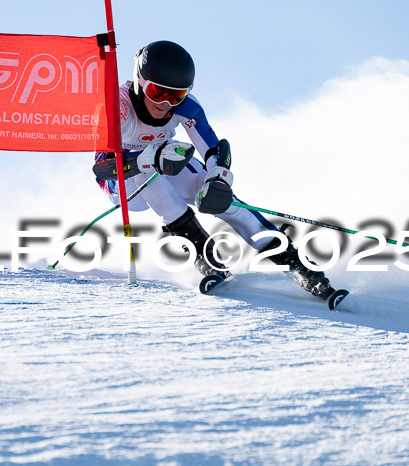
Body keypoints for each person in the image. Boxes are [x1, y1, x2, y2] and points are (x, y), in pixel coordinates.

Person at [93, 40, 338, 300]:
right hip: (124, 183)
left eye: (176, 95)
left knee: (218, 194)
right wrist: (145, 160)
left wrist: (218, 178)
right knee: (150, 172)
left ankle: (301, 268)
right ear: (140, 81)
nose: (165, 103)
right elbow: (102, 168)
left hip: (163, 162)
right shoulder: (116, 107)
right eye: (157, 92)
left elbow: (213, 149)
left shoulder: (187, 108)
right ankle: (206, 258)